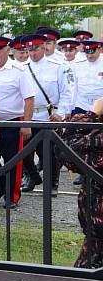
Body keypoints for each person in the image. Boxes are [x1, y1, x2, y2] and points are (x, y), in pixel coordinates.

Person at [0, 36, 36, 208]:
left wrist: (26, 124)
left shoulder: (19, 70)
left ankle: (12, 196)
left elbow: (29, 98)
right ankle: (3, 184)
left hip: (11, 122)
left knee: (13, 161)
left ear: (8, 50)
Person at [21, 32, 75, 195]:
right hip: (29, 116)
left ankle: (52, 184)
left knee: (50, 152)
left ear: (44, 47)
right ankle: (32, 176)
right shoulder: (22, 68)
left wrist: (61, 113)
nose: (32, 53)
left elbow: (67, 92)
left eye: (36, 49)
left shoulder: (58, 66)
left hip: (49, 115)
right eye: (29, 50)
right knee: (24, 150)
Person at [60, 96, 103, 268]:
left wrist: (91, 114)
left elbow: (65, 150)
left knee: (84, 278)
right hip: (96, 232)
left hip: (99, 232)